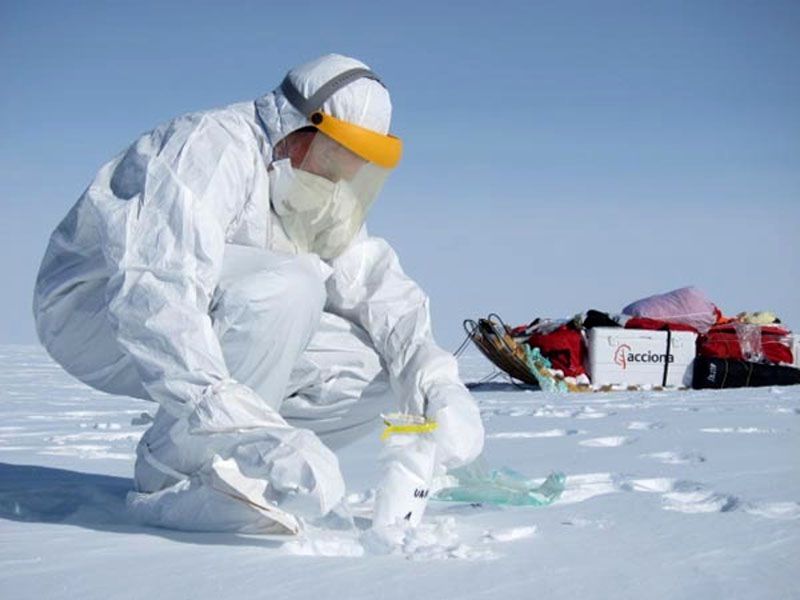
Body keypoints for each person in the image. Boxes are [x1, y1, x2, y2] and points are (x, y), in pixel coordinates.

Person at [33, 54, 484, 534]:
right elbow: (158, 296)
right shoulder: (209, 150)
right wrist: (259, 434)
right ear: (299, 127)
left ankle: (243, 468)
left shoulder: (310, 185)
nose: (340, 181)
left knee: (376, 370)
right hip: (96, 310)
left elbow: (374, 284)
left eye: (351, 170)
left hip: (210, 310)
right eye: (335, 162)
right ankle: (175, 470)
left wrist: (436, 380)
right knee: (293, 286)